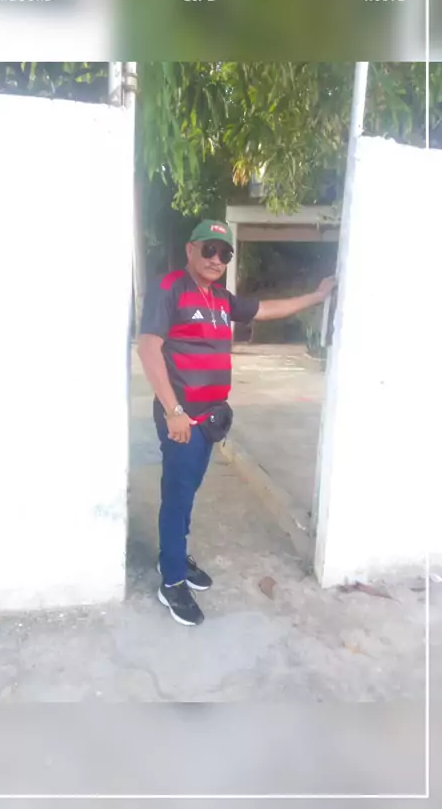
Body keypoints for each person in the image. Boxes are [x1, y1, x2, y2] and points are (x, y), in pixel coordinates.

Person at [138, 219, 336, 626]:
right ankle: (171, 580)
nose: (216, 259)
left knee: (187, 493)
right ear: (191, 249)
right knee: (177, 497)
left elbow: (266, 309)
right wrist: (174, 411)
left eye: (224, 253)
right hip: (183, 419)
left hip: (210, 419)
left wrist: (316, 297)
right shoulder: (170, 287)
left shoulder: (221, 299)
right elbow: (148, 347)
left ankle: (174, 556)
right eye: (209, 249)